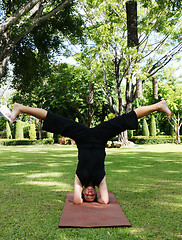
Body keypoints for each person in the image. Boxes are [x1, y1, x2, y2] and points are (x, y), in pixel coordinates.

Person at [10, 101, 171, 204]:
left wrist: (81, 198)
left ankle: (21, 108)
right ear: (95, 193)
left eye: (86, 195)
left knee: (55, 120)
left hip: (83, 138)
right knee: (126, 119)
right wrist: (98, 199)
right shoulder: (100, 179)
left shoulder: (80, 179)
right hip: (100, 137)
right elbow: (105, 200)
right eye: (91, 195)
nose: (88, 193)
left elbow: (78, 202)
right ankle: (158, 105)